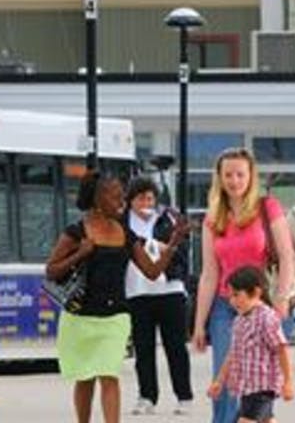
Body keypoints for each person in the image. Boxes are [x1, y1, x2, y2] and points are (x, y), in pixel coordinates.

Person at [45, 170, 191, 423]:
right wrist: (80, 253)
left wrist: (175, 242)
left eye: (122, 196)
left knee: (109, 375)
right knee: (85, 377)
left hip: (116, 317)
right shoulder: (76, 231)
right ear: (97, 199)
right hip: (80, 316)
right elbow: (51, 271)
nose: (121, 202)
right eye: (115, 197)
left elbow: (152, 271)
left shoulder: (124, 232)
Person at [192, 148, 295, 423]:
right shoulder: (213, 218)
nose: (234, 180)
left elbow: (287, 256)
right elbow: (209, 275)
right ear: (219, 178)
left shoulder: (267, 208)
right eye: (228, 174)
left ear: (251, 176)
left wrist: (283, 298)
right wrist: (200, 323)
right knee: (226, 382)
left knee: (259, 387)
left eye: (240, 174)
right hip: (226, 307)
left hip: (263, 307)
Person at [123, 177, 193, 416]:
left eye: (150, 197)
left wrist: (164, 248)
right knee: (143, 349)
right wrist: (154, 245)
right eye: (141, 197)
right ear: (130, 200)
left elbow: (182, 248)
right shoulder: (122, 223)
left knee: (176, 347)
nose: (146, 202)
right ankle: (147, 397)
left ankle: (184, 396)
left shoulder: (169, 218)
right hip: (137, 292)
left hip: (169, 290)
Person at [206, 266, 294, 423]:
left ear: (256, 292)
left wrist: (288, 381)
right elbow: (232, 353)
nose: (232, 301)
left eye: (236, 295)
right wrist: (219, 381)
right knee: (267, 420)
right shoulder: (239, 321)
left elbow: (281, 349)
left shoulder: (266, 318)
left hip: (263, 387)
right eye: (230, 296)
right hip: (247, 386)